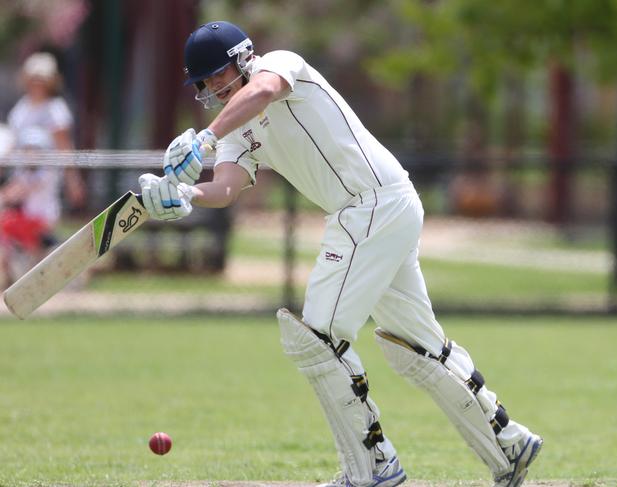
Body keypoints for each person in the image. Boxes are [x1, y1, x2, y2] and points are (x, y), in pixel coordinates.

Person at [138, 21, 543, 487]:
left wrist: (203, 138)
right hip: (376, 210)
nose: (211, 88)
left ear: (243, 58)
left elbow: (265, 90)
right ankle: (507, 443)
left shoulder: (279, 65)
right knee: (414, 348)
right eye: (204, 83)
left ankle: (373, 468)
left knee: (317, 336)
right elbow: (226, 187)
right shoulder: (235, 129)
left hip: (371, 202)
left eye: (215, 76)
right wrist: (187, 195)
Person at [0, 52, 84, 286]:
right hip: (21, 176)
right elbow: (13, 145)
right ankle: (20, 276)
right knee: (16, 227)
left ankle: (53, 274)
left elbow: (64, 148)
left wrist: (72, 181)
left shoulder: (55, 109)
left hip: (44, 177)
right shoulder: (22, 108)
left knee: (38, 225)